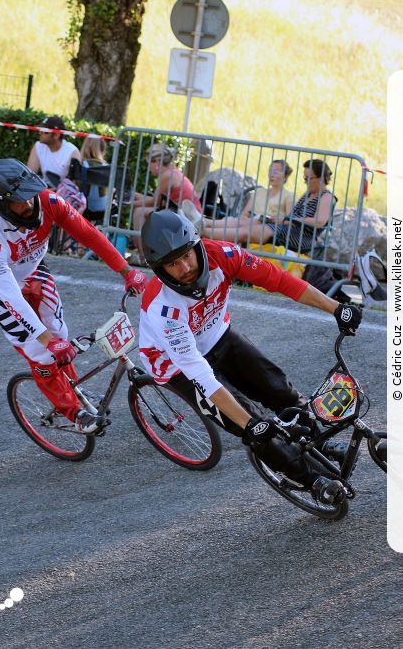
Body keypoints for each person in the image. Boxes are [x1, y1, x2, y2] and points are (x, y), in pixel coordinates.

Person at [139, 210, 362, 505]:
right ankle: (312, 480)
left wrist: (336, 308)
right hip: (177, 365)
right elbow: (202, 376)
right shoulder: (162, 308)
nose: (185, 267)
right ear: (160, 269)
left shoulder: (224, 254)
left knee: (280, 389)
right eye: (172, 264)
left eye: (188, 255)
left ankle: (320, 442)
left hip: (218, 334)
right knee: (255, 427)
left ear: (197, 245)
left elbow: (279, 280)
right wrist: (250, 424)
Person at [0, 158, 147, 435]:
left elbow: (89, 235)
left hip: (33, 270)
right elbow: (10, 297)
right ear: (3, 205)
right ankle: (74, 413)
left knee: (61, 335)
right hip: (0, 286)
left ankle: (74, 391)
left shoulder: (49, 201)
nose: (30, 203)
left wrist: (125, 270)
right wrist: (44, 339)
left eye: (30, 194)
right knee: (40, 351)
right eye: (20, 201)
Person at [187, 159, 295, 244]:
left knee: (245, 222)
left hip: (269, 228)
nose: (272, 174)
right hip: (249, 222)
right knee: (242, 220)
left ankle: (202, 223)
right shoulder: (259, 192)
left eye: (276, 171)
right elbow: (244, 214)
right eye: (270, 170)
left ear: (285, 176)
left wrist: (272, 219)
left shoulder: (289, 196)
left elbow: (289, 221)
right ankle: (203, 223)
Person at [132, 143, 203, 265]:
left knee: (139, 212)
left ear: (158, 162)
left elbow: (154, 202)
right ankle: (143, 255)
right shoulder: (171, 172)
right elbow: (156, 199)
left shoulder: (166, 175)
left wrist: (131, 202)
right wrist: (136, 196)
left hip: (187, 217)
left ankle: (143, 257)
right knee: (141, 209)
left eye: (149, 163)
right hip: (184, 213)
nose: (149, 168)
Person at [242, 158, 334, 252]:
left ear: (321, 178)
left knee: (247, 233)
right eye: (304, 178)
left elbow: (319, 221)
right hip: (288, 230)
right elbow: (292, 216)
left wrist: (289, 220)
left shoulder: (327, 196)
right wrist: (280, 219)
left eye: (308, 178)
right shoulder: (307, 195)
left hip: (302, 238)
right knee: (247, 228)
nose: (305, 182)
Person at [26, 116, 80, 187]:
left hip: (63, 193)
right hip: (45, 188)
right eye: (40, 129)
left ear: (56, 135)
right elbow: (29, 174)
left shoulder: (72, 152)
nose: (40, 132)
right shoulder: (38, 146)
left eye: (44, 131)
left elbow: (75, 184)